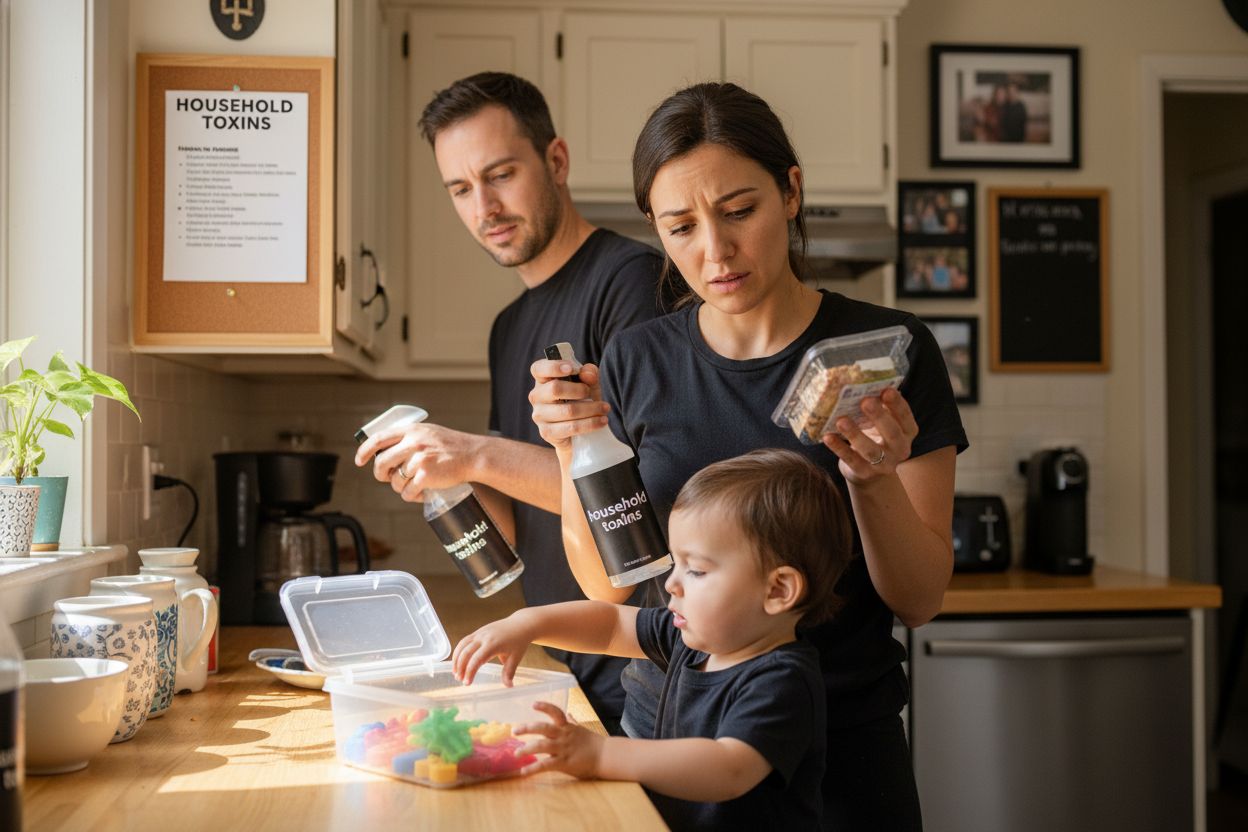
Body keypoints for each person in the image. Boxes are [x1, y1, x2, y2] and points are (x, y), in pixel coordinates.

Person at [528, 82, 967, 830]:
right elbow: (607, 583)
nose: (716, 250)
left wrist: (870, 478)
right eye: (681, 227)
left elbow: (917, 600)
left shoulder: (891, 355)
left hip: (840, 756)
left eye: (739, 211)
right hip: (668, 741)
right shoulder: (636, 360)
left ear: (790, 192)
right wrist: (574, 445)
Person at [353, 72, 666, 734]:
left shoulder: (630, 284)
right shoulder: (507, 326)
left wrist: (476, 451)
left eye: (499, 175)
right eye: (461, 189)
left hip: (635, 665)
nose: (483, 208)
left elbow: (640, 498)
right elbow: (521, 513)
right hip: (555, 657)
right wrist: (444, 475)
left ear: (556, 160)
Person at [453, 449, 853, 830]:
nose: (671, 584)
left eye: (695, 570)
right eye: (675, 564)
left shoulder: (782, 681)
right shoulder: (691, 641)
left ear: (778, 590)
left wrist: (600, 753)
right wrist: (526, 624)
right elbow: (610, 624)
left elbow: (729, 767)